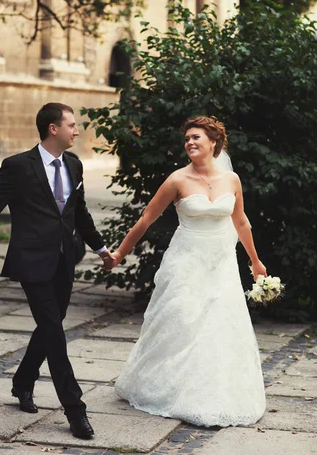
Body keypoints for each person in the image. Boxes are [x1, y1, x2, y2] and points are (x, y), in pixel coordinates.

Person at [0, 102, 111, 439]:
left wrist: (102, 249)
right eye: (72, 125)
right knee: (54, 331)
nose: (77, 131)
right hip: (31, 261)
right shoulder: (18, 166)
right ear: (53, 129)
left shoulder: (74, 165)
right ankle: (75, 411)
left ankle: (22, 382)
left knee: (51, 327)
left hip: (64, 260)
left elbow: (79, 215)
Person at [106, 116, 267, 427]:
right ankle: (166, 387)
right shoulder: (177, 180)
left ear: (214, 143)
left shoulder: (231, 180)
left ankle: (214, 392)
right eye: (187, 139)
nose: (190, 143)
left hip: (220, 264)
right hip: (186, 261)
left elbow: (241, 222)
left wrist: (255, 261)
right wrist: (120, 254)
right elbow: (146, 220)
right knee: (181, 320)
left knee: (218, 326)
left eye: (196, 138)